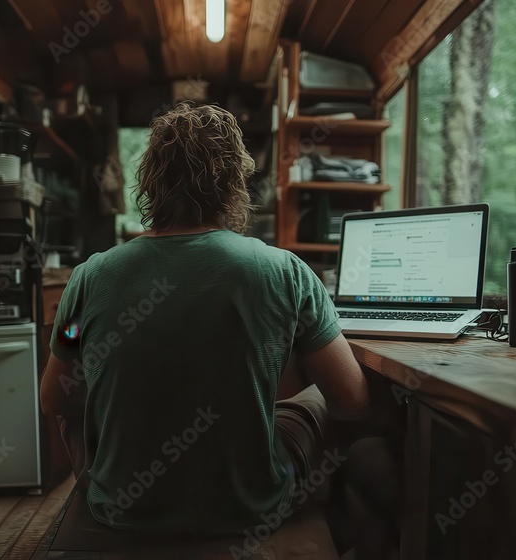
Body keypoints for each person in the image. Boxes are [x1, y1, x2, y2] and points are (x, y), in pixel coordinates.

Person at [40, 102, 370, 535]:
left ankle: (106, 488)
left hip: (122, 510)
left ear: (150, 182)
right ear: (234, 182)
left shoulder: (87, 279)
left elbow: (52, 401)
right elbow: (353, 402)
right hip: (249, 512)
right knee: (320, 400)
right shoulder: (287, 272)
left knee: (74, 406)